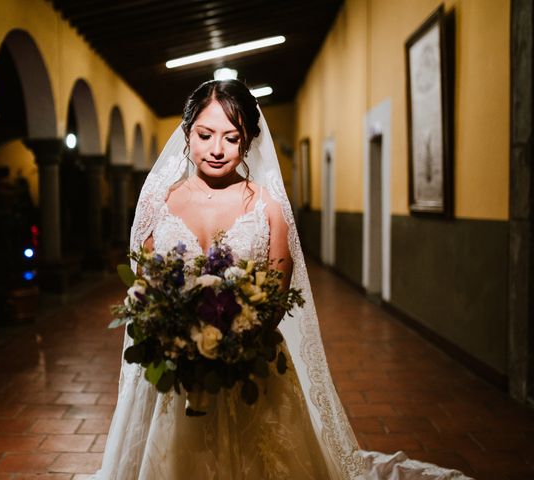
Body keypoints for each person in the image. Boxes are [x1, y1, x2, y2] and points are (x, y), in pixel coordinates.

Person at [95, 80, 469, 480]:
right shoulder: (159, 203)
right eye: (204, 135)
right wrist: (177, 338)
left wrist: (232, 341)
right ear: (187, 133)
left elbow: (274, 297)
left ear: (249, 140)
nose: (217, 149)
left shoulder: (267, 208)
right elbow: (146, 286)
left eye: (231, 137)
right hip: (171, 372)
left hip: (249, 364)